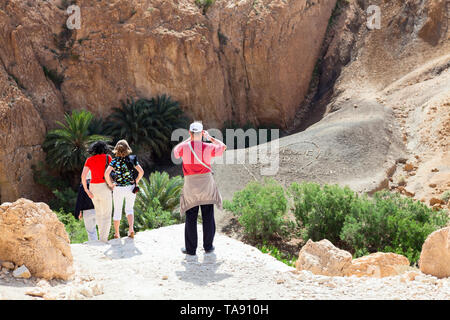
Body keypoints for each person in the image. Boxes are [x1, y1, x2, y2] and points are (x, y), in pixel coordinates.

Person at [173, 121, 227, 256]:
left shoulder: (184, 147)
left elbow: (175, 152)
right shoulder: (208, 147)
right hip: (206, 184)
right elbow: (223, 147)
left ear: (190, 133)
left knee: (191, 217)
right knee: (208, 215)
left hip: (191, 185)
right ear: (202, 133)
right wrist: (210, 138)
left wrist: (189, 139)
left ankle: (191, 250)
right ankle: (208, 247)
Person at [105, 140, 144, 239]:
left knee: (117, 210)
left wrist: (110, 184)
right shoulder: (132, 159)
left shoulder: (114, 161)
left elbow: (106, 173)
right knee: (129, 209)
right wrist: (136, 180)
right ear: (127, 148)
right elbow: (141, 171)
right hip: (130, 188)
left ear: (116, 149)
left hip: (118, 188)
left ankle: (117, 233)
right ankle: (131, 229)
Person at [81, 141, 113, 243]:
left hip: (93, 187)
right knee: (107, 215)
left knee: (99, 213)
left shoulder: (89, 160)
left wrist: (87, 190)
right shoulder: (108, 158)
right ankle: (104, 239)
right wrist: (112, 185)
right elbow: (111, 173)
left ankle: (100, 239)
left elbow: (83, 176)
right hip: (104, 186)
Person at [74, 175, 98, 241]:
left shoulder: (82, 187)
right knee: (102, 229)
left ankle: (94, 245)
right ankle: (102, 243)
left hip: (87, 211)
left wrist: (78, 212)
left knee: (91, 231)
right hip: (98, 210)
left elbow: (79, 200)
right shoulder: (97, 185)